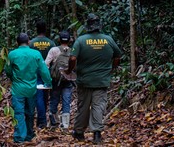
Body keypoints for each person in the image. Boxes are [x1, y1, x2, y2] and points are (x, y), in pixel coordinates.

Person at [67, 13, 122, 145]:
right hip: (101, 80)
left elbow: (73, 58)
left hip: (85, 80)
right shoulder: (108, 39)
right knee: (98, 106)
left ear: (88, 26)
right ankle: (96, 133)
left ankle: (79, 132)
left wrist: (70, 70)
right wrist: (111, 68)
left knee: (83, 106)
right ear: (99, 26)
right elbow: (118, 56)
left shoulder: (81, 40)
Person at [5, 32, 53, 144]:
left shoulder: (12, 54)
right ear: (28, 42)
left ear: (17, 43)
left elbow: (7, 70)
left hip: (18, 89)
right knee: (30, 112)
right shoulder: (36, 54)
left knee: (19, 112)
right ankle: (29, 134)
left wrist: (13, 78)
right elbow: (44, 70)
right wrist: (48, 82)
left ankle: (19, 137)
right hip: (32, 88)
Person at [45, 30, 76, 129]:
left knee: (54, 99)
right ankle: (65, 125)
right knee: (66, 101)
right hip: (68, 80)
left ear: (59, 39)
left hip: (55, 80)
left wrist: (48, 77)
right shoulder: (73, 51)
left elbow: (46, 64)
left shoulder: (54, 50)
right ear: (69, 40)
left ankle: (52, 121)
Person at [29, 20, 55, 129]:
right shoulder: (51, 43)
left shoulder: (31, 43)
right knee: (45, 95)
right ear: (45, 29)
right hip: (47, 72)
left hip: (35, 72)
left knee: (38, 96)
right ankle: (43, 118)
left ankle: (42, 120)